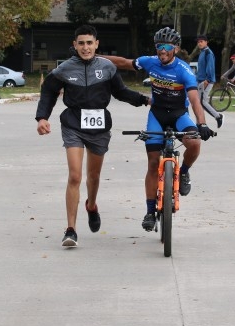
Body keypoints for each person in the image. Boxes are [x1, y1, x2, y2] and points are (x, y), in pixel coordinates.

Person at [36, 25, 150, 247]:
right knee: (75, 176)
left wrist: (144, 100)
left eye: (89, 43)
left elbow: (121, 92)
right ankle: (70, 230)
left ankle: (91, 205)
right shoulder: (65, 69)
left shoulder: (107, 67)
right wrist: (42, 117)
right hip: (73, 125)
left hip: (99, 128)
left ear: (96, 44)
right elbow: (49, 91)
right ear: (75, 45)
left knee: (93, 177)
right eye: (81, 43)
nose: (85, 47)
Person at [101, 27, 214, 231]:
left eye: (166, 47)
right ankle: (150, 211)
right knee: (153, 163)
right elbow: (122, 63)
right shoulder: (149, 61)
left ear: (176, 49)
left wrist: (202, 124)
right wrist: (94, 56)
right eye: (158, 46)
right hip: (157, 114)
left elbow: (194, 99)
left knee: (194, 142)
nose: (161, 50)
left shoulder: (184, 70)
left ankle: (185, 172)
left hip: (179, 114)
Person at [194, 35, 223, 128]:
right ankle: (199, 123)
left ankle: (218, 116)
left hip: (206, 81)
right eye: (198, 42)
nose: (199, 43)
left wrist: (207, 80)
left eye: (201, 41)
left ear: (206, 42)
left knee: (202, 102)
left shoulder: (208, 53)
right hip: (200, 81)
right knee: (198, 103)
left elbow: (210, 67)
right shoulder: (202, 52)